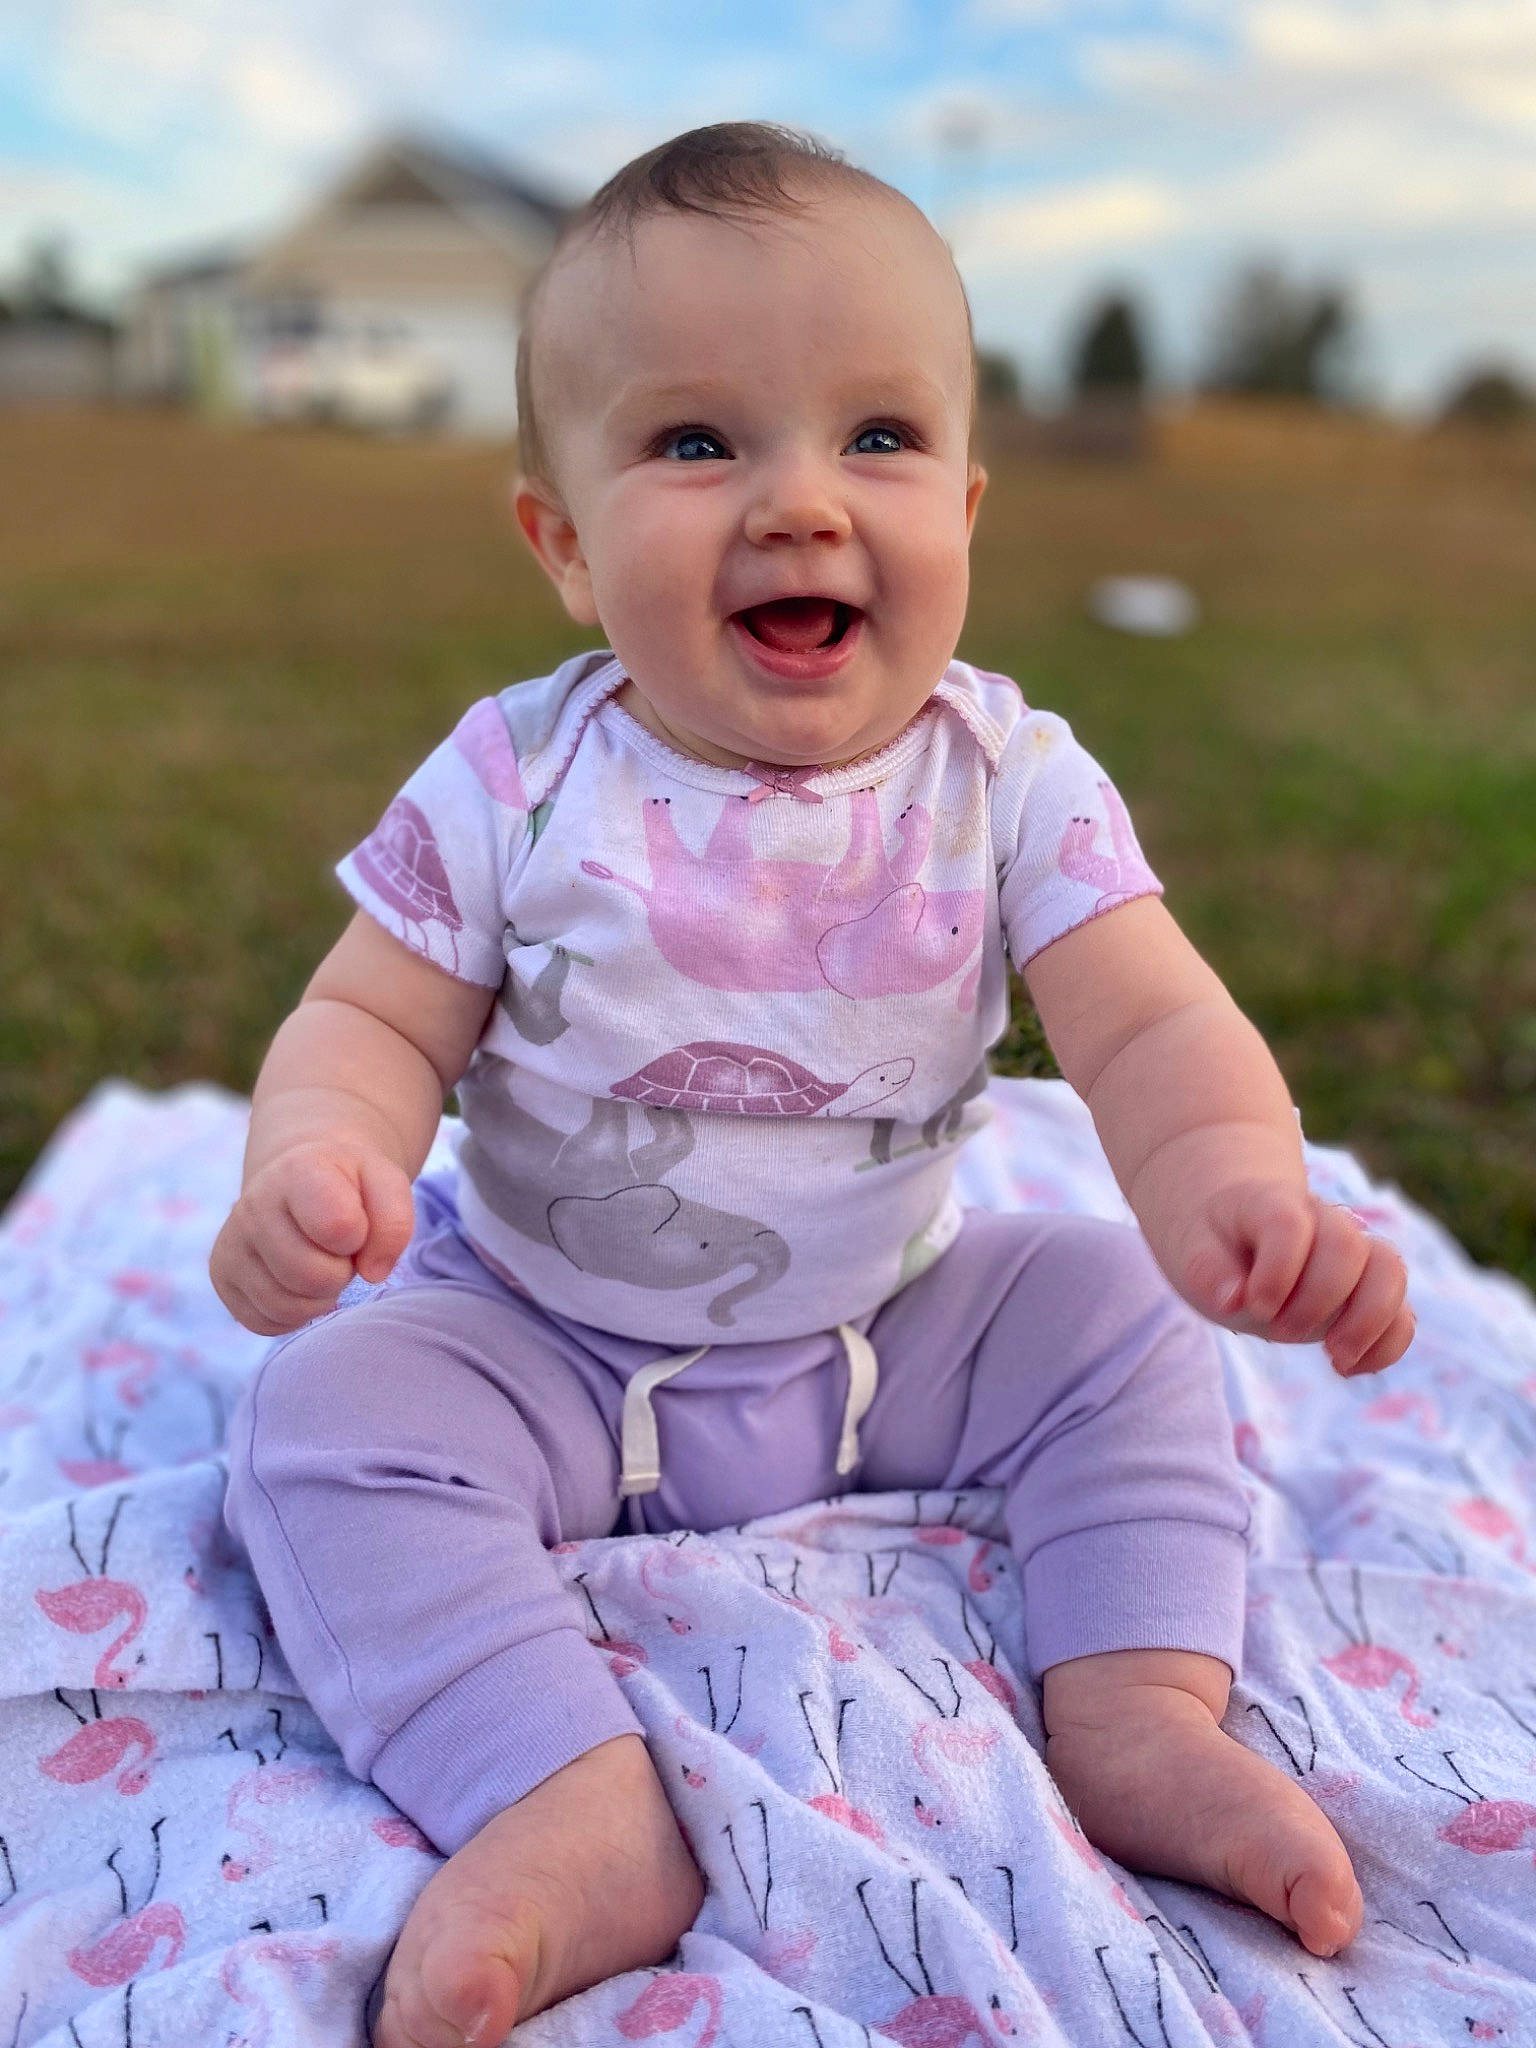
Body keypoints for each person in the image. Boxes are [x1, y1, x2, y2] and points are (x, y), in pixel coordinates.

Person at [214, 123, 1414, 2048]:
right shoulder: (518, 777)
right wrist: (323, 1161)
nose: (798, 502)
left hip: (889, 1340)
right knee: (321, 1417)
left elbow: (1153, 1024)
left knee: (1114, 1318)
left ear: (966, 501)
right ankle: (565, 1797)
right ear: (565, 545)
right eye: (698, 444)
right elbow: (369, 1020)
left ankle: (1137, 1706)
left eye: (877, 439)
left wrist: (1234, 1189)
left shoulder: (1008, 779)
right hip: (546, 1346)